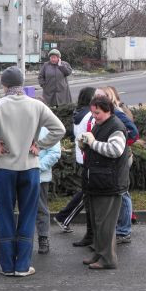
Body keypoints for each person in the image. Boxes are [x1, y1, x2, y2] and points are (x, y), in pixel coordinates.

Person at [0, 66, 65, 277]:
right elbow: (59, 129)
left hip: (6, 168)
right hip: (30, 167)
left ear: (4, 85)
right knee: (28, 215)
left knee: (5, 214)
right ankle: (23, 265)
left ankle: (7, 266)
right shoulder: (36, 105)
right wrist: (41, 145)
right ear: (22, 84)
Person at [79, 95, 130, 270]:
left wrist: (92, 143)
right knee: (96, 221)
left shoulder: (116, 127)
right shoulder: (100, 125)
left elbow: (115, 150)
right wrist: (84, 144)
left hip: (109, 183)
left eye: (97, 113)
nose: (94, 116)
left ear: (108, 110)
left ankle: (108, 259)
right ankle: (99, 253)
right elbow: (97, 147)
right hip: (98, 181)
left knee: (105, 224)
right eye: (93, 113)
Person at [53, 87, 96, 239]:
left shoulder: (79, 112)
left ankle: (64, 217)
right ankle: (63, 217)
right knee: (87, 193)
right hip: (87, 156)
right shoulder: (90, 115)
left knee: (88, 191)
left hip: (80, 155)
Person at [97, 86, 138, 244]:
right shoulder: (104, 115)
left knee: (123, 192)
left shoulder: (118, 113)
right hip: (111, 159)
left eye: (103, 96)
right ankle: (119, 227)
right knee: (118, 192)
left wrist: (121, 146)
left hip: (122, 158)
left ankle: (124, 231)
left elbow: (133, 133)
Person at [35, 126, 61, 255]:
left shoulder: (46, 130)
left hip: (39, 177)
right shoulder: (20, 124)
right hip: (21, 175)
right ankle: (24, 240)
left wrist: (36, 168)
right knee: (24, 210)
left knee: (41, 209)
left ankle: (43, 238)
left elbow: (55, 153)